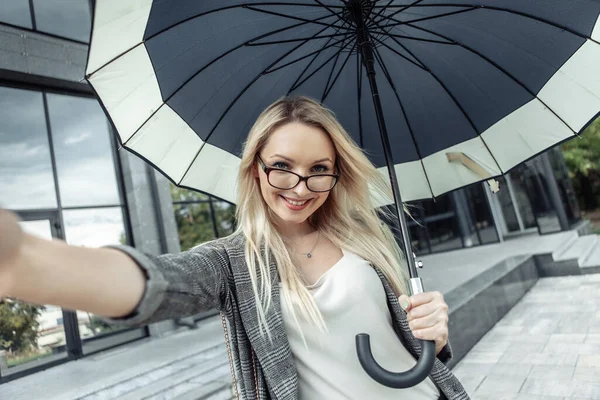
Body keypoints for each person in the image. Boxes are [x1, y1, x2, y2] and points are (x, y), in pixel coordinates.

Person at [0, 96, 468, 400]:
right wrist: (23, 260)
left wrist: (435, 335)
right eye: (282, 166)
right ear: (255, 170)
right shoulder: (232, 262)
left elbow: (413, 348)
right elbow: (157, 285)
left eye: (319, 169)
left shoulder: (365, 240)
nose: (299, 187)